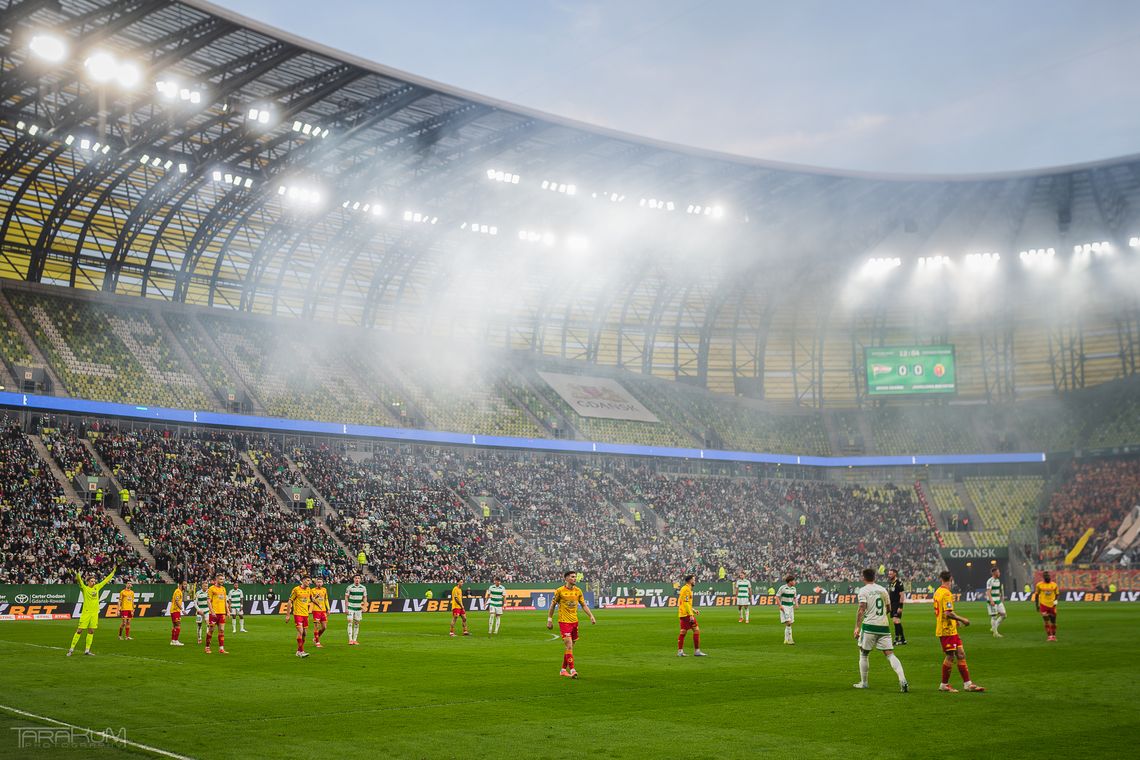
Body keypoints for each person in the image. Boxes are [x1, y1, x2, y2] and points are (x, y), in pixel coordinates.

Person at [852, 568, 908, 692]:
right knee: (890, 654)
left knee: (864, 654)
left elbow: (861, 609)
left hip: (869, 626)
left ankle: (864, 683)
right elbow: (888, 608)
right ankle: (902, 679)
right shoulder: (883, 589)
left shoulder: (863, 590)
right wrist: (880, 617)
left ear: (863, 578)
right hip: (883, 626)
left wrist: (857, 627)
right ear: (874, 577)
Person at [933, 571, 984, 692]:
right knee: (950, 656)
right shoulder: (946, 593)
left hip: (951, 630)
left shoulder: (938, 592)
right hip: (946, 630)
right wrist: (963, 619)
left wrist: (954, 622)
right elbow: (947, 613)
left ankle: (968, 684)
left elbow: (943, 611)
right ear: (951, 579)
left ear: (941, 579)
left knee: (961, 654)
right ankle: (944, 685)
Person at [546, 569, 596, 678]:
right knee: (569, 645)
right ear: (566, 578)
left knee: (570, 648)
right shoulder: (559, 591)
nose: (574, 578)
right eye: (572, 577)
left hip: (574, 622)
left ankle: (563, 670)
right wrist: (549, 619)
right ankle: (573, 670)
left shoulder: (578, 591)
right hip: (564, 622)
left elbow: (583, 605)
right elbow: (553, 605)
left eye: (575, 577)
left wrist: (591, 616)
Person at [67, 566, 116, 657]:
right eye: (92, 581)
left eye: (94, 581)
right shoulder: (84, 588)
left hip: (94, 613)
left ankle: (87, 650)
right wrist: (78, 574)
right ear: (88, 582)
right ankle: (71, 649)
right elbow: (79, 581)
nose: (94, 582)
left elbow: (106, 580)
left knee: (91, 631)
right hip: (86, 613)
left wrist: (113, 572)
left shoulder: (97, 587)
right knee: (79, 630)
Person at [677, 574, 707, 657]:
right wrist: (691, 614)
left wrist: (693, 610)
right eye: (694, 579)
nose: (695, 581)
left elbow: (683, 602)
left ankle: (680, 651)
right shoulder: (686, 589)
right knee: (696, 630)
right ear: (690, 580)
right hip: (686, 614)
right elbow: (686, 603)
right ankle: (697, 651)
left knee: (683, 631)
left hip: (683, 613)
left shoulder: (685, 588)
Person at [288, 578, 313, 658]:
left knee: (304, 633)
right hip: (297, 614)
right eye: (307, 580)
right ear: (303, 581)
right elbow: (290, 601)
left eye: (310, 581)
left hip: (305, 614)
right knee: (300, 631)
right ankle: (302, 652)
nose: (309, 582)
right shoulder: (296, 589)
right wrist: (288, 615)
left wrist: (317, 603)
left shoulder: (309, 589)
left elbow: (311, 599)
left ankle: (298, 651)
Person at [1032, 571, 1059, 641]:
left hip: (1052, 605)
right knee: (1046, 620)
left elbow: (1057, 594)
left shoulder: (1054, 585)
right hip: (1043, 605)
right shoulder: (1039, 585)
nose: (1047, 577)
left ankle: (1053, 635)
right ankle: (1049, 636)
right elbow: (1037, 595)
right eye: (1046, 576)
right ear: (1043, 577)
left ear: (1050, 576)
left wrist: (1055, 602)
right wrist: (1037, 605)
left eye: (1048, 576)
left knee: (1053, 621)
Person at [205, 575, 228, 654]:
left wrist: (227, 611)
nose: (222, 581)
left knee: (221, 630)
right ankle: (207, 647)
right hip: (214, 613)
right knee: (211, 630)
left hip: (222, 613)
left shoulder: (223, 589)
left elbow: (225, 601)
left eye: (223, 579)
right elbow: (208, 601)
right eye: (220, 579)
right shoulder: (211, 588)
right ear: (216, 579)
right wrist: (212, 611)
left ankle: (221, 648)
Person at [344, 575, 367, 645]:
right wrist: (346, 608)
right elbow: (346, 597)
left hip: (358, 608)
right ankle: (350, 640)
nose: (357, 579)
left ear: (360, 579)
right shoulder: (349, 587)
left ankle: (355, 640)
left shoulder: (363, 588)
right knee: (350, 622)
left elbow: (365, 597)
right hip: (350, 607)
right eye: (356, 578)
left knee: (357, 623)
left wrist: (364, 606)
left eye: (358, 578)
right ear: (353, 579)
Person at [776, 574, 799, 645]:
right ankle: (790, 640)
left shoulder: (794, 589)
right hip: (784, 607)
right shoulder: (783, 588)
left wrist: (796, 604)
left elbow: (795, 597)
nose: (795, 582)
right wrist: (780, 606)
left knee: (789, 624)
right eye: (794, 581)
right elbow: (777, 597)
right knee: (788, 623)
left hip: (791, 607)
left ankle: (786, 640)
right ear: (790, 581)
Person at [986, 566, 1007, 638]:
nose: (999, 573)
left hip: (998, 601)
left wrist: (1001, 598)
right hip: (992, 601)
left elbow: (998, 591)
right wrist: (991, 601)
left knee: (1004, 615)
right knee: (994, 616)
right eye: (998, 572)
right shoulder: (990, 581)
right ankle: (995, 633)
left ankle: (993, 628)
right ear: (994, 573)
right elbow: (988, 592)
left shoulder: (998, 580)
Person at [887, 568, 906, 645]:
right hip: (892, 604)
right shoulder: (890, 583)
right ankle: (902, 639)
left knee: (896, 621)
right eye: (889, 574)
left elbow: (902, 595)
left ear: (895, 574)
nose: (889, 575)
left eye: (891, 574)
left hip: (897, 604)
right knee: (895, 621)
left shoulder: (899, 583)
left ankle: (897, 639)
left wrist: (900, 607)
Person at [310, 579, 329, 648]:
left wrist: (328, 608)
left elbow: (326, 599)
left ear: (323, 583)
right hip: (316, 610)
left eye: (320, 582)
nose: (319, 583)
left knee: (324, 627)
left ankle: (316, 638)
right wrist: (316, 597)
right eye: (318, 582)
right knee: (316, 626)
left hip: (323, 610)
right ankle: (317, 642)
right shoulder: (312, 590)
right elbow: (311, 600)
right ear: (316, 583)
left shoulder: (324, 590)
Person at [170, 580, 186, 646]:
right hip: (175, 611)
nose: (185, 586)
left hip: (174, 610)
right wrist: (182, 609)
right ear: (180, 584)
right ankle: (176, 640)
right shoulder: (178, 591)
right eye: (184, 584)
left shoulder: (179, 591)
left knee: (174, 626)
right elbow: (176, 601)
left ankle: (173, 640)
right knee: (178, 626)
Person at [194, 580, 209, 644]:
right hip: (199, 611)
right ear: (202, 586)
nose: (206, 587)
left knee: (208, 624)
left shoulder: (209, 592)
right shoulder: (198, 593)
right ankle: (199, 638)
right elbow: (195, 603)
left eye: (207, 586)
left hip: (207, 611)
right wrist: (199, 610)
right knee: (199, 625)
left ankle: (208, 638)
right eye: (205, 586)